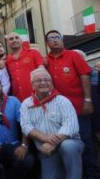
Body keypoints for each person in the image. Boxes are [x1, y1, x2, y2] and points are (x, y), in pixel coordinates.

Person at [45, 29, 100, 178]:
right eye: (51, 38)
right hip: (59, 113)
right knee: (68, 145)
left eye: (58, 37)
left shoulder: (73, 55)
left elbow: (85, 75)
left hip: (79, 108)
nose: (55, 40)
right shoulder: (46, 61)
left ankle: (93, 175)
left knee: (86, 141)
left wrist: (87, 100)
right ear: (47, 43)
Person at [20, 68, 84, 179]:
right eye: (38, 80)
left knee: (68, 146)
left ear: (51, 83)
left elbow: (71, 125)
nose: (43, 82)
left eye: (47, 80)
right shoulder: (26, 104)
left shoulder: (62, 100)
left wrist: (53, 142)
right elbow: (25, 126)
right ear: (32, 85)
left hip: (68, 143)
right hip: (46, 149)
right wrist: (45, 138)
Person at [5, 32, 44, 101]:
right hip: (17, 99)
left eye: (17, 38)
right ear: (8, 43)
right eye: (11, 39)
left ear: (21, 41)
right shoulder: (7, 59)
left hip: (36, 97)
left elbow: (42, 71)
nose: (14, 40)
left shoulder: (33, 53)